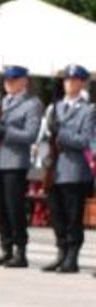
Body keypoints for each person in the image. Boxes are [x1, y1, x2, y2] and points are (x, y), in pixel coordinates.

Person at [0, 65, 44, 268]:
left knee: (14, 208)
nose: (8, 83)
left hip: (14, 162)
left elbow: (31, 135)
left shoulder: (32, 104)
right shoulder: (0, 101)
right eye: (7, 80)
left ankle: (20, 251)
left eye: (13, 80)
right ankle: (6, 248)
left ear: (24, 82)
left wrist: (5, 130)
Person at [42, 64, 94, 273]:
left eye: (74, 80)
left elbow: (86, 140)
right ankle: (61, 252)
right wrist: (46, 156)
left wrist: (62, 135)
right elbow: (45, 136)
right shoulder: (55, 108)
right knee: (57, 214)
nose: (69, 84)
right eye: (66, 80)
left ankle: (72, 256)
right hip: (54, 168)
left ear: (82, 83)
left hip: (74, 169)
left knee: (73, 216)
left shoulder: (88, 110)